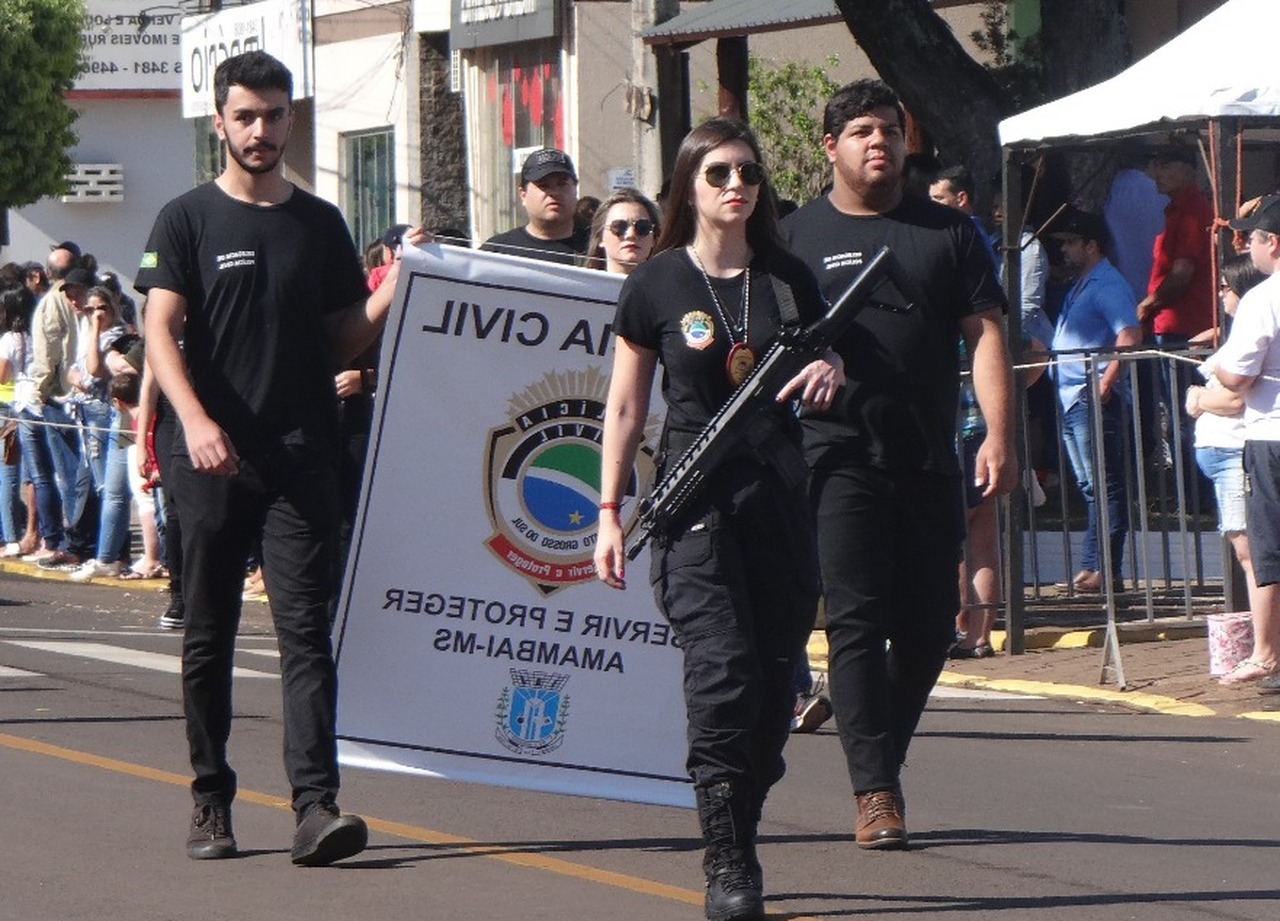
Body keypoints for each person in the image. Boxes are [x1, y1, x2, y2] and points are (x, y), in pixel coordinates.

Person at [137, 50, 416, 866]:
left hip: (302, 455)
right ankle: (210, 798)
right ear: (219, 121)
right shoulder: (185, 219)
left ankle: (316, 806)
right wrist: (192, 421)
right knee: (210, 633)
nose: (261, 131)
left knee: (307, 634)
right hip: (212, 459)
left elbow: (342, 334)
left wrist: (389, 290)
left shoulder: (320, 222)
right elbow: (159, 329)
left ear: (293, 119)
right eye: (245, 116)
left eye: (275, 115)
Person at [594, 117, 842, 920]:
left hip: (776, 499)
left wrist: (830, 366)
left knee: (773, 693)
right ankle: (727, 860)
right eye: (719, 173)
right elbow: (627, 405)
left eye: (749, 173)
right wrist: (608, 510)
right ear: (689, 186)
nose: (737, 185)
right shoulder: (658, 282)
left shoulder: (786, 279)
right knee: (723, 675)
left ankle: (743, 815)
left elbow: (824, 354)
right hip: (694, 504)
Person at [780, 79, 1015, 849]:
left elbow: (985, 334)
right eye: (860, 132)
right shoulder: (793, 236)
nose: (878, 142)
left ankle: (873, 740)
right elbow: (768, 347)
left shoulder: (949, 232)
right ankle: (876, 789)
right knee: (855, 623)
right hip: (835, 456)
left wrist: (999, 434)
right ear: (831, 147)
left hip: (927, 457)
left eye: (889, 130)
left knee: (924, 629)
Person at [1186, 254, 1273, 684]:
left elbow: (1236, 390)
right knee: (1251, 552)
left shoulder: (1261, 308)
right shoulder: (1240, 327)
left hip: (1244, 449)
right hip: (1229, 453)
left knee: (1255, 553)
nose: (1220, 294)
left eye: (1225, 288)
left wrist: (1200, 398)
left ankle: (1266, 650)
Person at [1048, 208, 1142, 594]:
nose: (1065, 250)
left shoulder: (1107, 283)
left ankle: (1105, 567)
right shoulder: (1084, 282)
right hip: (1072, 395)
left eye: (1071, 243)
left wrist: (1106, 381)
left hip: (1090, 395)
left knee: (1104, 485)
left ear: (1091, 245)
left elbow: (1130, 334)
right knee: (1091, 485)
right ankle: (1093, 565)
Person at [1211, 200, 1280, 693]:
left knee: (1270, 548)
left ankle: (1267, 652)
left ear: (1273, 242)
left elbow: (1236, 376)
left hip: (1272, 435)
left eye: (1251, 237)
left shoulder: (1263, 299)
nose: (1246, 245)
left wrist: (1214, 365)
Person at [1136, 141, 1215, 491]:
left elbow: (1181, 273)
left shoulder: (1194, 210)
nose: (1159, 172)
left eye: (1167, 164)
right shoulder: (1177, 210)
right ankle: (1188, 487)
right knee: (1178, 407)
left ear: (1189, 169)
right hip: (1173, 324)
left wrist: (1148, 303)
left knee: (1188, 409)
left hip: (1185, 327)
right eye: (1157, 164)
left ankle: (1194, 490)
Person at [481, 148, 588, 264]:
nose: (554, 192)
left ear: (575, 190)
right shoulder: (497, 253)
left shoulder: (598, 250)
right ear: (523, 194)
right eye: (544, 185)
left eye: (562, 184)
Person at [585, 187, 660, 274]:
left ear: (654, 238)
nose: (631, 235)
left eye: (642, 227)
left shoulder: (671, 286)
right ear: (600, 237)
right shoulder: (579, 286)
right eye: (619, 226)